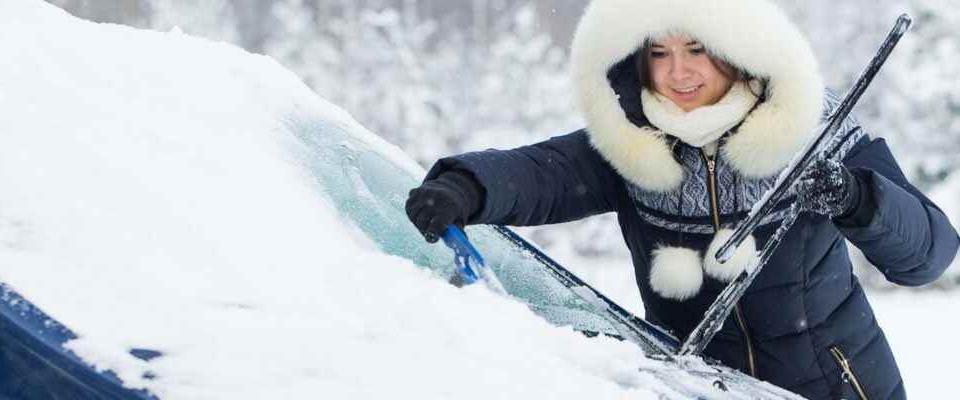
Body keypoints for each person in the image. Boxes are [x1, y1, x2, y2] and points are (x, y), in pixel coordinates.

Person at [405, 0, 960, 399]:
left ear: (735, 49)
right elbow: (541, 174)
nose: (679, 72)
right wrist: (465, 186)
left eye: (697, 48)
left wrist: (855, 196)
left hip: (839, 387)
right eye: (660, 52)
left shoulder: (811, 125)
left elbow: (929, 254)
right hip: (700, 388)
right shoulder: (631, 140)